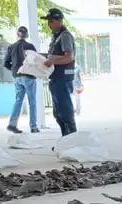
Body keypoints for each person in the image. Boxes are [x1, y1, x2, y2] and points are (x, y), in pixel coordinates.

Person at [41, 8, 77, 136]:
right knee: (58, 114)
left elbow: (69, 57)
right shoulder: (56, 37)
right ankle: (65, 140)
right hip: (56, 78)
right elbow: (54, 55)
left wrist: (52, 61)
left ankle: (72, 141)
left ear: (59, 21)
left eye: (51, 21)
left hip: (63, 79)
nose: (49, 24)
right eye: (48, 21)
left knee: (65, 112)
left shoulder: (65, 36)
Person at [4, 26, 38, 134]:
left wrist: (15, 70)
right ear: (26, 35)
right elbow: (36, 61)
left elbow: (5, 63)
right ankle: (33, 126)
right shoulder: (30, 46)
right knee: (32, 101)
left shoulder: (11, 47)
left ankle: (12, 124)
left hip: (17, 77)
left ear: (17, 35)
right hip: (29, 77)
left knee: (18, 100)